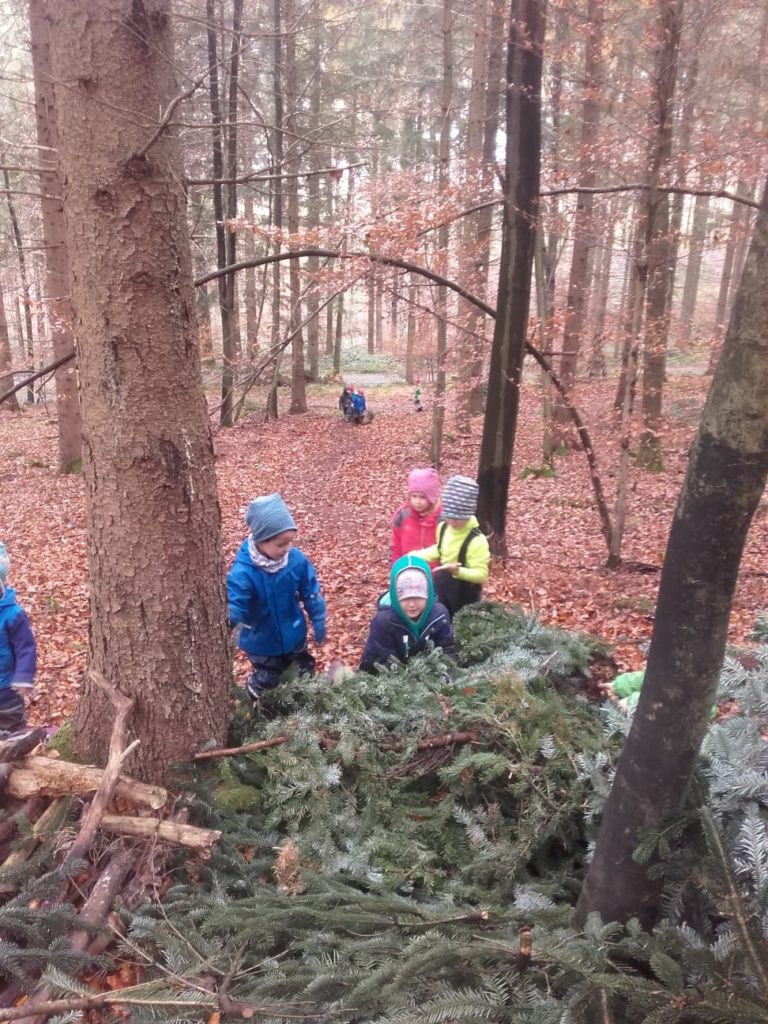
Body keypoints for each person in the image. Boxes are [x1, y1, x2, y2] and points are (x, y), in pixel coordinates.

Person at [226, 494, 326, 702]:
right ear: (262, 540)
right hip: (261, 641)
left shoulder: (295, 561)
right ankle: (252, 705)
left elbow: (310, 591)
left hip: (294, 633)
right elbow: (237, 597)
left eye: (290, 542)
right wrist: (233, 615)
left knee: (303, 669)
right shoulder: (244, 571)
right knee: (269, 679)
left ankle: (306, 706)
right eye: (281, 544)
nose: (287, 548)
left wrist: (318, 619)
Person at [359, 556, 456, 673]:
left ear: (428, 594)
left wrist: (443, 672)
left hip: (430, 675)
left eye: (417, 598)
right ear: (395, 596)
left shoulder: (439, 615)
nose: (411, 604)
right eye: (405, 599)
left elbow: (447, 649)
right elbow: (381, 663)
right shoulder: (384, 622)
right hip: (393, 681)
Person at [411, 475, 490, 618]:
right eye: (449, 516)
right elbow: (439, 550)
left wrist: (458, 572)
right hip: (441, 588)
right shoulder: (443, 527)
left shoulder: (477, 541)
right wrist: (417, 556)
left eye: (458, 518)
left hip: (465, 598)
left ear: (468, 513)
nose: (452, 522)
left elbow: (481, 574)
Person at [0, 542, 37, 738]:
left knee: (11, 729)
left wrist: (24, 678)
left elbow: (26, 649)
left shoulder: (13, 614)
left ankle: (10, 759)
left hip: (6, 690)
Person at [389, 467, 442, 566]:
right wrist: (396, 566)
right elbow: (395, 545)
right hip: (407, 570)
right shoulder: (403, 515)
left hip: (434, 574)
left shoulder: (441, 518)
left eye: (422, 497)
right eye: (414, 496)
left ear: (431, 497)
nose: (417, 502)